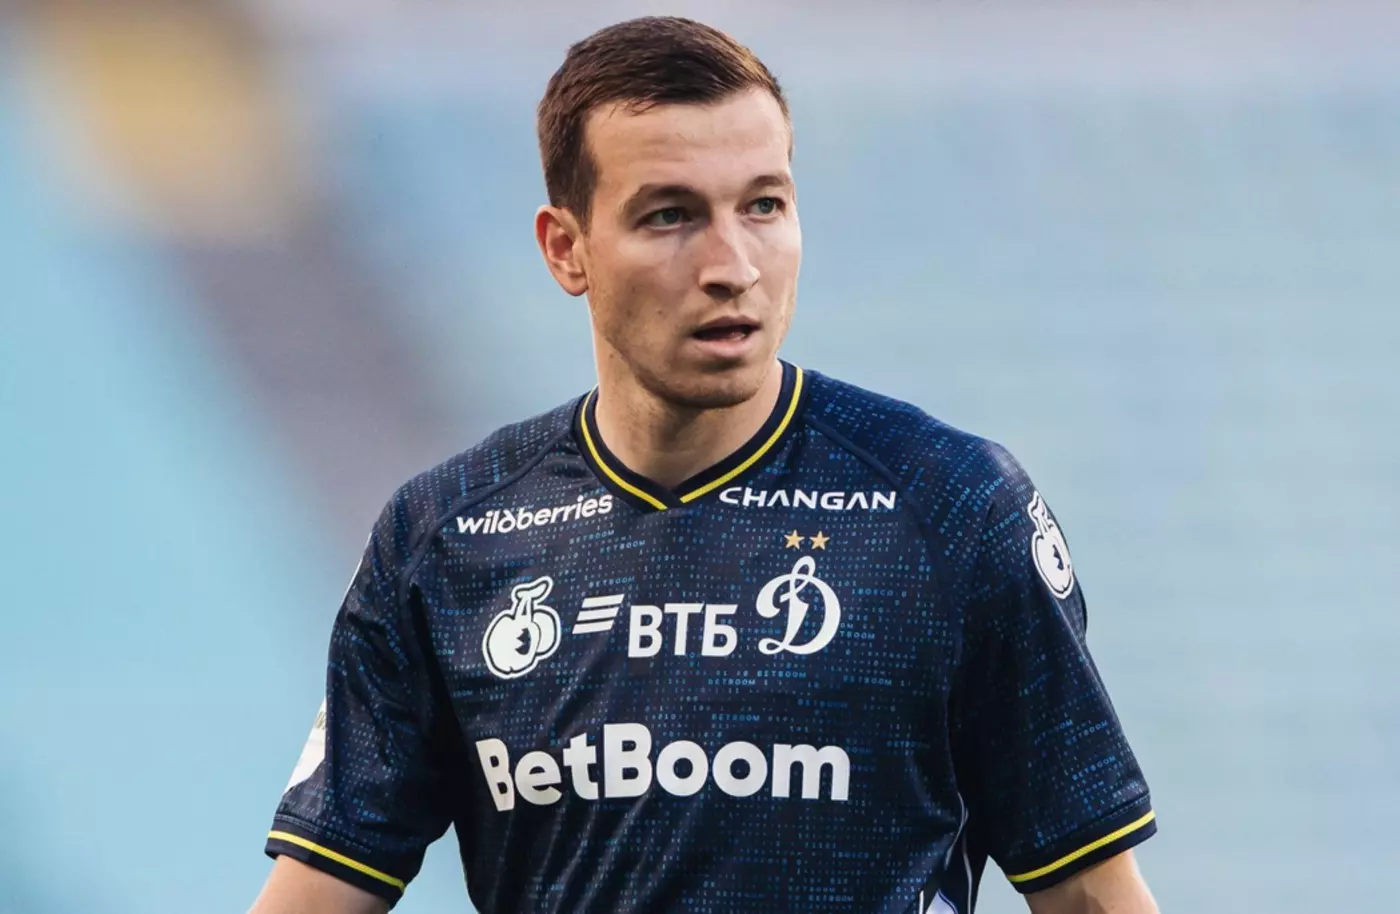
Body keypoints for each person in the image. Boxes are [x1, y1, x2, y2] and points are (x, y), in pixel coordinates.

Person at [249, 16, 1159, 914]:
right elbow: (318, 893)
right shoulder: (447, 537)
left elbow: (1090, 895)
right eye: (670, 216)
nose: (733, 267)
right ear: (567, 248)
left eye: (764, 206)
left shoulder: (950, 507)